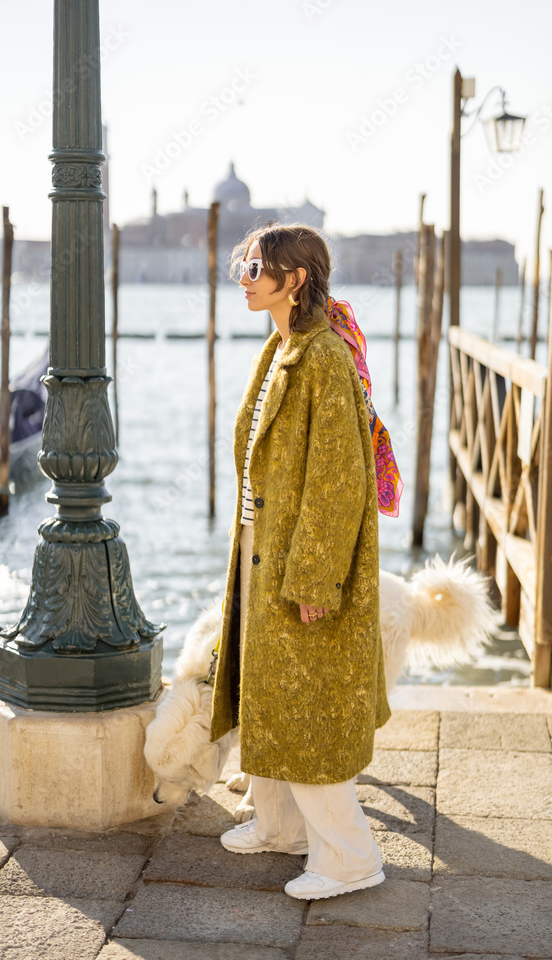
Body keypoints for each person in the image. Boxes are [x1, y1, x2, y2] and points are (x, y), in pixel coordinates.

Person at [209, 223, 402, 901]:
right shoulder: (282, 345)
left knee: (311, 712)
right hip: (262, 554)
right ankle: (279, 826)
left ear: (294, 279)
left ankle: (349, 859)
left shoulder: (321, 357)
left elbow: (338, 478)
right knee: (268, 697)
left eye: (255, 267)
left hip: (299, 565)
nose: (243, 277)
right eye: (241, 263)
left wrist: (317, 576)